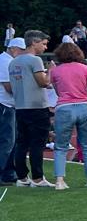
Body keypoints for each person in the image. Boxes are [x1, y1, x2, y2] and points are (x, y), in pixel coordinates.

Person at [48, 40, 87, 190]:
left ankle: (59, 180)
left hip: (64, 108)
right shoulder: (85, 68)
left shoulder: (56, 71)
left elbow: (56, 90)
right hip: (84, 107)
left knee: (61, 146)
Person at [8, 30, 51, 187]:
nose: (45, 47)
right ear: (34, 43)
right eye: (43, 44)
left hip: (20, 106)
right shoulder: (35, 60)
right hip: (36, 106)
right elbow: (43, 82)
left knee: (22, 143)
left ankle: (22, 177)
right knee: (37, 144)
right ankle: (38, 178)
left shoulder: (13, 62)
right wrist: (50, 71)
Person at [0, 35, 18, 185]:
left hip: (8, 105)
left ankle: (9, 172)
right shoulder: (5, 61)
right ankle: (3, 173)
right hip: (5, 104)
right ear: (13, 49)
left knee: (11, 141)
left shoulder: (7, 60)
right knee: (7, 141)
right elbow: (8, 87)